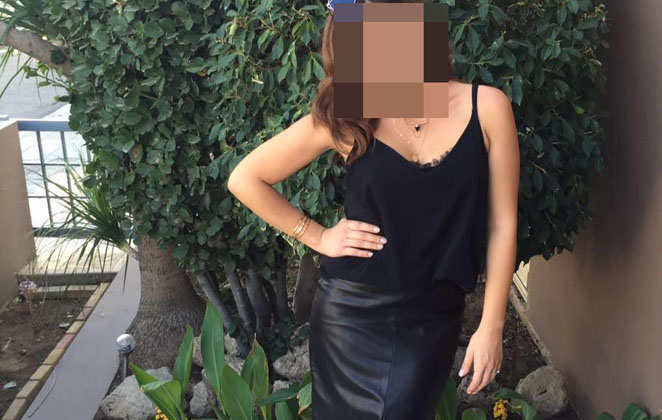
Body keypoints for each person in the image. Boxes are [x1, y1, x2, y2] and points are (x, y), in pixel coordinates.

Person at [227, 1, 520, 418]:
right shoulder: (352, 116)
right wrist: (317, 235)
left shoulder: (487, 107)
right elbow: (245, 178)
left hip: (431, 319)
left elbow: (502, 224)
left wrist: (492, 325)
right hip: (350, 317)